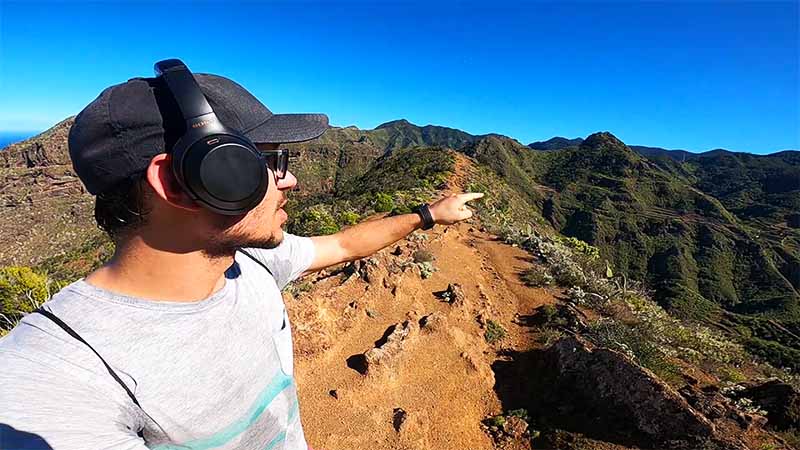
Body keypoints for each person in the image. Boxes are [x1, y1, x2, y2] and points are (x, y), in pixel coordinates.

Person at [0, 60, 483, 450]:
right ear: (181, 180)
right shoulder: (57, 378)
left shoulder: (248, 262)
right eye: (269, 162)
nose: (289, 180)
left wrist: (428, 215)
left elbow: (341, 245)